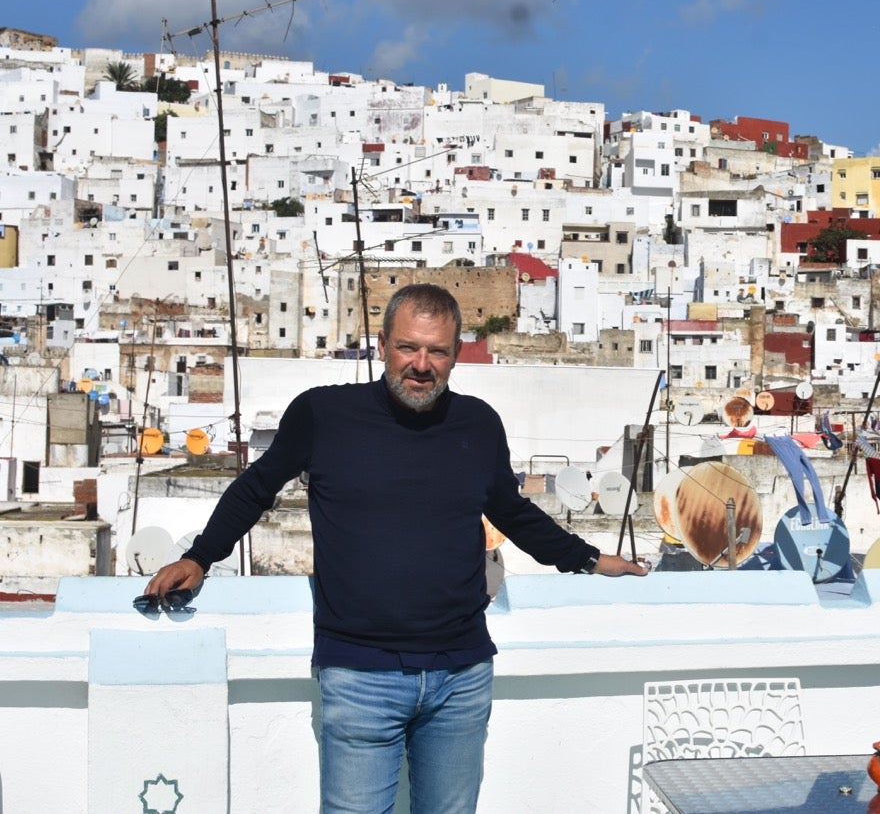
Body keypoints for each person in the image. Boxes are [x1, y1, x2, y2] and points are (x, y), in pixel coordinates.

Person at [144, 283, 648, 813]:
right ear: (382, 344)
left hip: (461, 675)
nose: (422, 364)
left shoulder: (478, 423)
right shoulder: (322, 414)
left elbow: (510, 510)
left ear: (456, 357)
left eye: (438, 351)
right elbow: (256, 487)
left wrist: (587, 559)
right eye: (409, 347)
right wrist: (199, 557)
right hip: (359, 672)